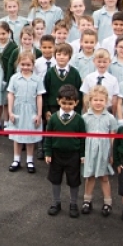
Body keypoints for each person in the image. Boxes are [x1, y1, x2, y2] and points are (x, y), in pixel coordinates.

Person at [44, 84, 85, 218]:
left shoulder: (79, 120)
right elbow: (48, 137)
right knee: (55, 179)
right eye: (64, 103)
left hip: (73, 155)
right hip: (56, 154)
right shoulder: (54, 118)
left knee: (74, 180)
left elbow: (83, 138)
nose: (67, 106)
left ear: (76, 103)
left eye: (70, 103)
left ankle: (73, 204)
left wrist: (82, 154)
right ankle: (56, 202)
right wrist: (48, 153)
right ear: (58, 101)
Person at [81, 85, 118, 217]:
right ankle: (87, 201)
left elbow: (113, 136)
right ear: (90, 100)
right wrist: (82, 154)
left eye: (101, 100)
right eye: (95, 100)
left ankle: (107, 203)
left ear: (106, 101)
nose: (98, 103)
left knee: (104, 177)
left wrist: (112, 153)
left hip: (104, 151)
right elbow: (82, 137)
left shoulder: (110, 118)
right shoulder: (85, 117)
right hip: (89, 151)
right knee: (89, 177)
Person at [6, 51, 44, 173]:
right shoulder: (14, 78)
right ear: (19, 64)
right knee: (17, 136)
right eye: (23, 64)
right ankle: (16, 159)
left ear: (33, 65)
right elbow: (11, 95)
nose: (25, 67)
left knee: (30, 137)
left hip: (31, 111)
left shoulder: (37, 80)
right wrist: (10, 112)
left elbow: (39, 97)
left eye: (28, 65)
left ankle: (29, 160)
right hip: (18, 110)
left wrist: (39, 114)